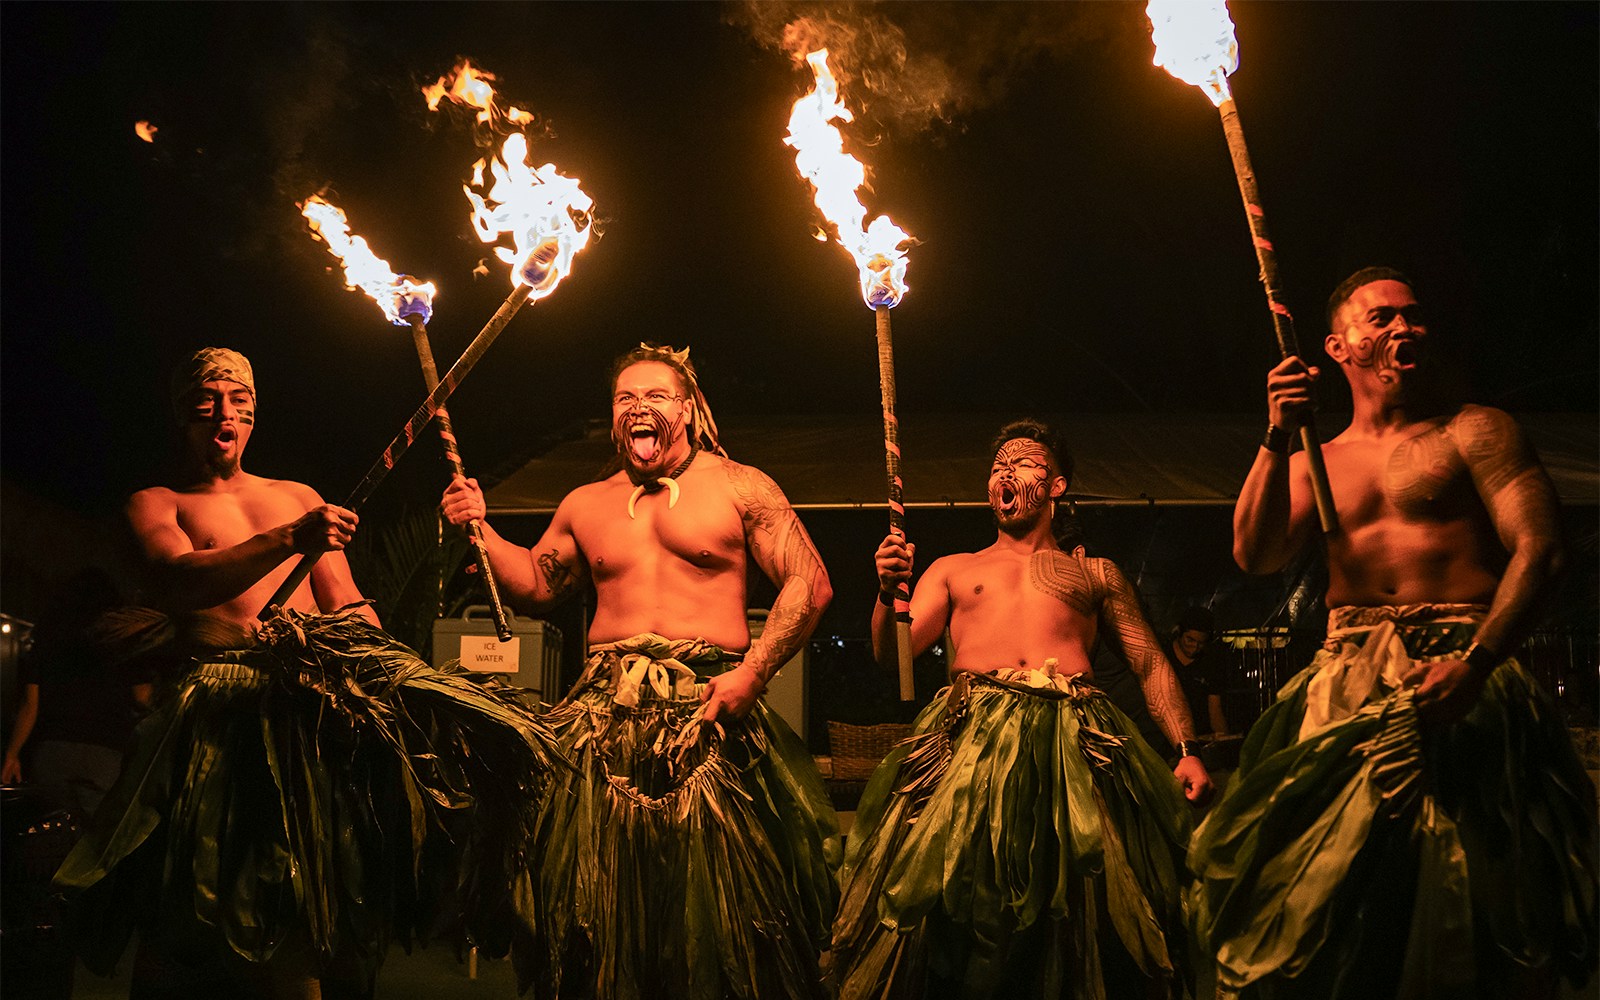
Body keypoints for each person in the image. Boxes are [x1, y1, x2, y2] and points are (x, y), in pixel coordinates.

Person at [56, 348, 562, 999]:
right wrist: (288, 540)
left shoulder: (297, 497)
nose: (224, 417)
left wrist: (393, 673)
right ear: (182, 416)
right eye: (207, 405)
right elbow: (176, 581)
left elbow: (345, 602)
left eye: (239, 404)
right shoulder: (158, 503)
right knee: (195, 917)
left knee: (322, 907)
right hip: (218, 716)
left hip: (310, 715)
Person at [1190, 268, 1597, 998]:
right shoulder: (1320, 456)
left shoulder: (1476, 430)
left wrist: (1475, 666)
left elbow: (1543, 551)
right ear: (1337, 346)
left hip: (1464, 671)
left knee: (1476, 890)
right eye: (1380, 319)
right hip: (1347, 684)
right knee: (1338, 893)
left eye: (1412, 315)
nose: (1403, 328)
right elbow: (1253, 554)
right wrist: (1277, 433)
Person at [440, 342, 840, 999]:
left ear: (688, 408)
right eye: (625, 398)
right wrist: (482, 532)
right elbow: (539, 586)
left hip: (709, 711)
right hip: (603, 720)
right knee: (594, 913)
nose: (638, 408)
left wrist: (754, 673)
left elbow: (811, 583)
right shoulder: (586, 502)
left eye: (654, 395)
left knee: (721, 915)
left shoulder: (742, 485)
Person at [831, 419, 1212, 999]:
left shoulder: (1094, 573)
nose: (1004, 473)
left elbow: (1150, 664)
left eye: (1023, 462)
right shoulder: (954, 569)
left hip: (1075, 744)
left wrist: (1186, 749)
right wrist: (887, 595)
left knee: (1082, 901)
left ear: (1056, 485)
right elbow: (895, 656)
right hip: (971, 743)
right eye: (996, 466)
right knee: (963, 902)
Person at [1, 568, 152, 819]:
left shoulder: (48, 642)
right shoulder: (121, 642)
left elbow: (30, 706)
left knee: (50, 833)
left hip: (52, 751)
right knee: (95, 842)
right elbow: (143, 699)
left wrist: (12, 754)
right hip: (105, 751)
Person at [1164, 605, 1230, 740]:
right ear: (1179, 633)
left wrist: (1223, 739)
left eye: (1201, 643)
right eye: (1190, 640)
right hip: (1164, 737)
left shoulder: (1210, 663)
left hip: (1199, 738)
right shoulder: (1162, 656)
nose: (1195, 647)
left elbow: (1215, 709)